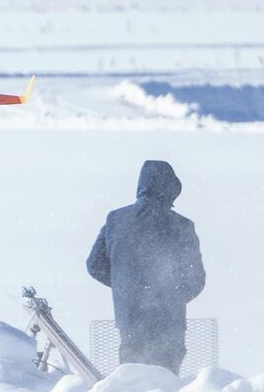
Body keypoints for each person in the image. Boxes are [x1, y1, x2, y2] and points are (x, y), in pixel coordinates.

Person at [87, 160, 206, 373]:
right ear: (172, 188)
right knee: (168, 385)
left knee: (133, 380)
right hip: (170, 321)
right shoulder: (182, 226)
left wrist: (126, 287)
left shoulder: (116, 219)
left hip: (130, 319)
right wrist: (172, 296)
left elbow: (95, 265)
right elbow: (196, 278)